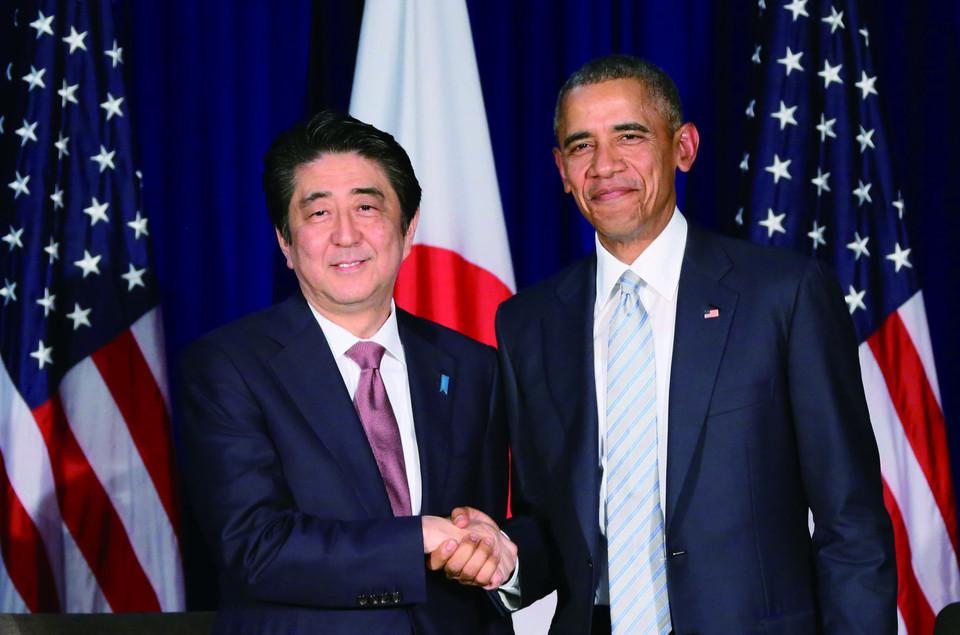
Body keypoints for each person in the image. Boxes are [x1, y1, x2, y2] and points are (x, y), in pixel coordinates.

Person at [443, 55, 897, 634]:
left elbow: (851, 522)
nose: (604, 166)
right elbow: (553, 528)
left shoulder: (783, 296)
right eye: (581, 146)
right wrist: (504, 556)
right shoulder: (528, 324)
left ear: (683, 147)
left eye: (629, 136)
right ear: (561, 169)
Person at [178, 111, 516, 634]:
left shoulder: (473, 367)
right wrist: (419, 538)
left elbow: (487, 525)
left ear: (408, 229)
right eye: (318, 213)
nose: (345, 234)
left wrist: (490, 545)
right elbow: (255, 546)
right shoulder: (227, 367)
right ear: (286, 242)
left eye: (366, 207)